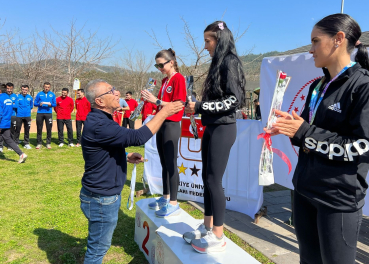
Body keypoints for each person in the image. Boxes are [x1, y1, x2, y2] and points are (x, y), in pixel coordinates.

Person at [266, 14, 369, 264]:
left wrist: (304, 132)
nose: (310, 50)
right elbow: (308, 132)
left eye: (315, 41)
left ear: (338, 39)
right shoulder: (318, 86)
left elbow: (367, 147)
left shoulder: (364, 87)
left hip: (337, 198)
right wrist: (289, 126)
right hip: (304, 191)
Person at [80, 79, 184, 263]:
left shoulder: (100, 119)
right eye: (111, 91)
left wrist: (124, 155)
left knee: (97, 241)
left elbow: (103, 148)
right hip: (101, 198)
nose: (116, 93)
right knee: (98, 249)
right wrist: (164, 111)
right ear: (100, 101)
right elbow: (138, 136)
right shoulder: (100, 124)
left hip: (99, 195)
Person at [184, 21, 246, 253]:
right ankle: (207, 226)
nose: (205, 47)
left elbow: (234, 100)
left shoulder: (230, 62)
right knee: (206, 180)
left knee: (213, 181)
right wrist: (198, 108)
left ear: (219, 40)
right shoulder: (217, 63)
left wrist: (200, 105)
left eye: (208, 41)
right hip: (211, 126)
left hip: (223, 128)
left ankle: (218, 235)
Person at [141, 48, 187, 218]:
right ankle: (165, 197)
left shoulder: (179, 79)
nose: (159, 68)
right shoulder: (164, 80)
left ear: (172, 62)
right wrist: (150, 100)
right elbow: (161, 104)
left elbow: (179, 104)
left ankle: (174, 202)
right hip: (162, 122)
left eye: (161, 65)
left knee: (171, 163)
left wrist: (157, 100)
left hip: (172, 124)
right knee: (163, 162)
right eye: (156, 65)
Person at [0, 83, 28, 163]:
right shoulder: (8, 99)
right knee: (8, 139)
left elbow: (0, 113)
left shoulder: (1, 98)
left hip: (1, 122)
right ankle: (21, 154)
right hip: (7, 122)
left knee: (8, 139)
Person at [34, 82, 56, 149]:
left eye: (48, 87)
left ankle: (48, 143)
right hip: (40, 113)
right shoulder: (39, 94)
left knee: (49, 128)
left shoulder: (52, 94)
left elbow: (55, 104)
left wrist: (51, 105)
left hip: (48, 113)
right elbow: (35, 103)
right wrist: (39, 104)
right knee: (39, 128)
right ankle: (39, 143)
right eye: (46, 87)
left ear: (50, 87)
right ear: (43, 86)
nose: (47, 88)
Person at [15, 85, 34, 149]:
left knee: (27, 130)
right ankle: (16, 142)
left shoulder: (30, 97)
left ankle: (26, 143)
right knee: (17, 129)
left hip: (27, 116)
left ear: (28, 90)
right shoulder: (17, 97)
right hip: (19, 116)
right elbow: (16, 106)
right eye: (23, 89)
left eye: (25, 90)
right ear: (21, 89)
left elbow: (31, 106)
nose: (24, 91)